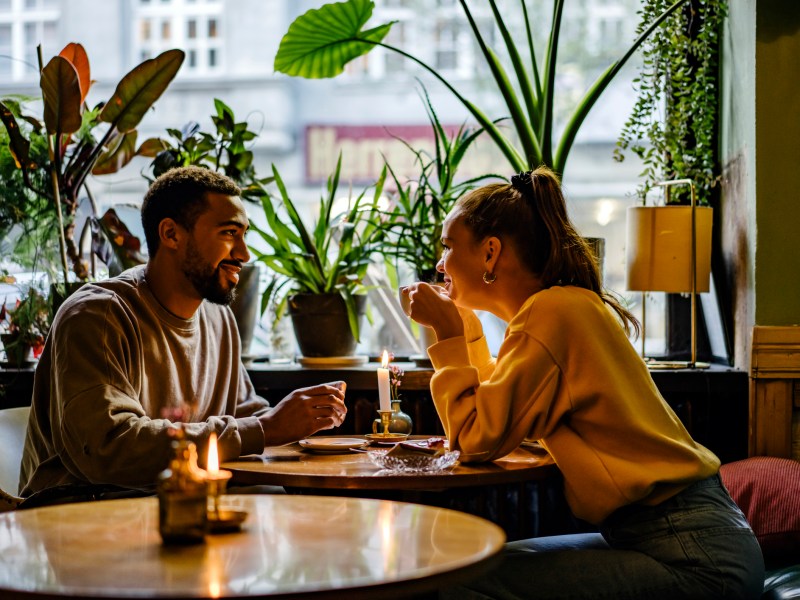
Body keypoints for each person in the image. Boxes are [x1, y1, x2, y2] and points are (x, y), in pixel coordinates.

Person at [401, 167, 764, 599]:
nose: (440, 263)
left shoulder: (552, 313)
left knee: (458, 582)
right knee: (473, 565)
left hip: (694, 557)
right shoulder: (560, 309)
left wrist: (448, 336)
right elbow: (497, 412)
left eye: (448, 246)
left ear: (490, 253)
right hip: (679, 539)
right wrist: (468, 332)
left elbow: (476, 439)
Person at [19, 166, 347, 502]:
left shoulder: (219, 319)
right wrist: (267, 429)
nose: (244, 254)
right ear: (171, 234)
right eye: (229, 233)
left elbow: (246, 419)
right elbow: (108, 448)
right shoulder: (97, 316)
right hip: (75, 521)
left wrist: (303, 425)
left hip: (180, 509)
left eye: (244, 234)